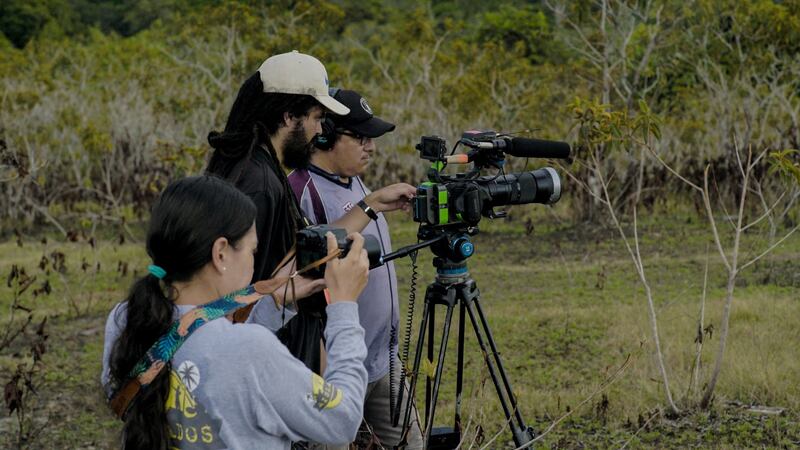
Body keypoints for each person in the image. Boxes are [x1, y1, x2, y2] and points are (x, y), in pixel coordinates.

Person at [101, 175, 371, 449]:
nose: (254, 261)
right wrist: (344, 306)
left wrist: (274, 302)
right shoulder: (248, 349)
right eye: (253, 251)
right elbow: (342, 421)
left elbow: (221, 359)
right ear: (220, 253)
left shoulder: (126, 317)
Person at [205, 51, 415, 375]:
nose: (320, 132)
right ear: (290, 117)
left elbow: (294, 259)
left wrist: (371, 203)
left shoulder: (262, 169)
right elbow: (241, 295)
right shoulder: (259, 185)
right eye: (317, 118)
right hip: (269, 364)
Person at [288, 89, 424, 449]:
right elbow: (311, 256)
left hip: (383, 361)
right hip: (334, 366)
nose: (370, 147)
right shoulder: (300, 189)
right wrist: (372, 203)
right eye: (360, 137)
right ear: (325, 134)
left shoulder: (354, 180)